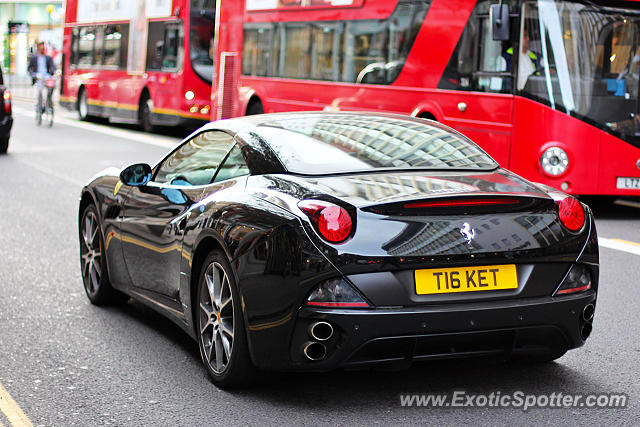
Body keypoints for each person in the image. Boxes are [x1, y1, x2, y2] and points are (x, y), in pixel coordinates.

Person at [27, 42, 56, 115]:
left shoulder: (48, 58)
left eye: (43, 49)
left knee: (50, 89)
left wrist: (53, 73)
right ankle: (40, 107)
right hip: (38, 77)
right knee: (40, 92)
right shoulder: (34, 58)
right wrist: (33, 75)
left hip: (47, 77)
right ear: (38, 49)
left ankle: (49, 104)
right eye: (40, 49)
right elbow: (29, 68)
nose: (42, 50)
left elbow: (53, 67)